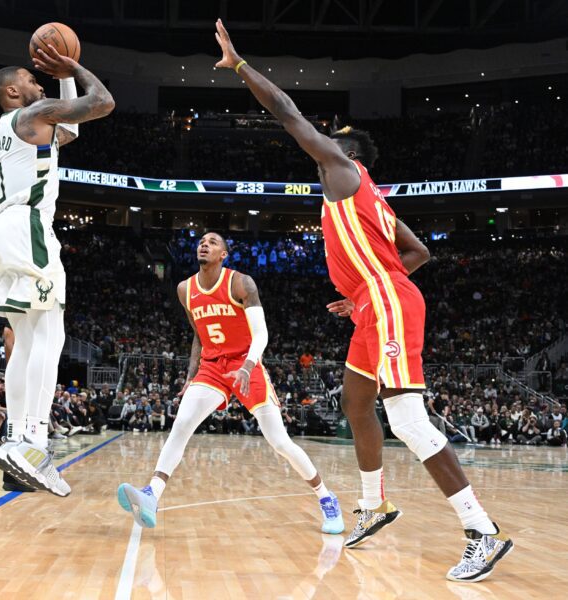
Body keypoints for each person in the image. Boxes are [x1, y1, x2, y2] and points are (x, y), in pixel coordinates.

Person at [211, 20, 511, 581]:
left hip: (389, 301)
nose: (316, 145)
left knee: (407, 419)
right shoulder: (372, 200)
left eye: (329, 140)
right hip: (376, 301)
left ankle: (481, 531)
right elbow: (418, 252)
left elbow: (287, 114)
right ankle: (374, 503)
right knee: (355, 401)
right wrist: (362, 293)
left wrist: (242, 66)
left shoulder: (342, 171)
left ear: (343, 152)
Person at [118, 232, 343, 534]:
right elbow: (199, 335)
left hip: (245, 363)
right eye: (201, 240)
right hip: (212, 366)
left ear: (223, 254)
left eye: (212, 241)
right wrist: (189, 377)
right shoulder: (185, 289)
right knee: (182, 422)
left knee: (279, 442)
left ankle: (326, 497)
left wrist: (248, 367)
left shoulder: (240, 283)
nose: (204, 244)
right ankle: (152, 495)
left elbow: (261, 334)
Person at [0, 43, 114, 497]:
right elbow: (102, 104)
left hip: (1, 229)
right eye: (34, 79)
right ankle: (35, 442)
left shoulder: (11, 127)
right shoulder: (30, 113)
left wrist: (61, 79)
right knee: (50, 336)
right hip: (29, 226)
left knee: (24, 339)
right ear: (15, 91)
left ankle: (16, 439)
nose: (41, 85)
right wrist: (73, 66)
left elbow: (71, 132)